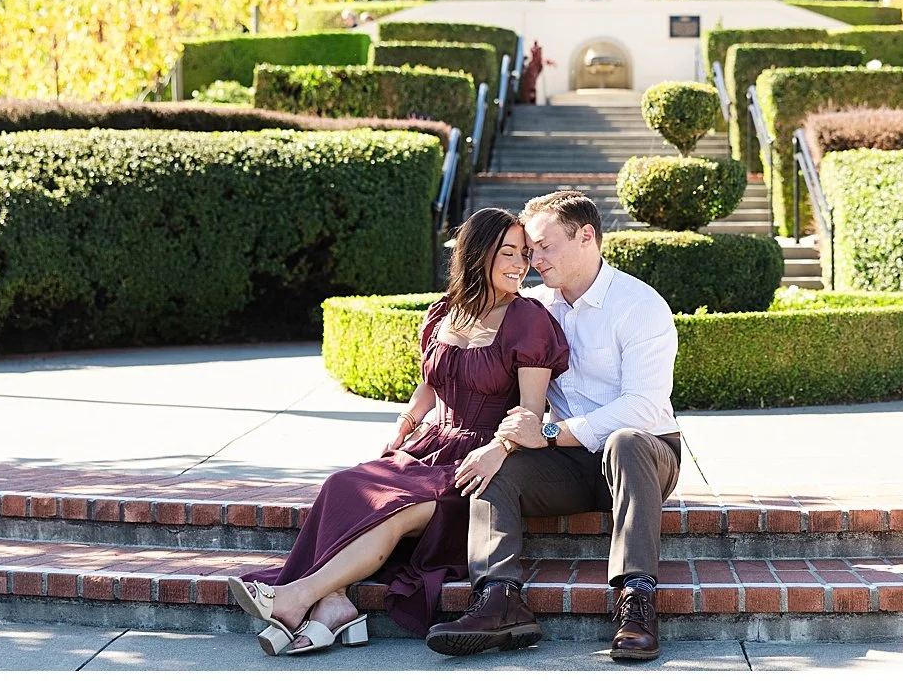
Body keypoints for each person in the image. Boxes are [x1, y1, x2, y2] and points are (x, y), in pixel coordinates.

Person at [226, 208, 569, 655]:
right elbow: (429, 385)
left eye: (524, 254)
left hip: (480, 462)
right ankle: (333, 606)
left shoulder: (529, 320)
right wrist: (404, 427)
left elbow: (528, 413)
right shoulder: (444, 312)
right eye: (508, 252)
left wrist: (497, 452)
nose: (520, 264)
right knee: (344, 484)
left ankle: (294, 599)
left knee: (394, 509)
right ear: (477, 254)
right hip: (428, 447)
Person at [426, 191, 680, 662]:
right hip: (569, 462)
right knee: (493, 467)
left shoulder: (639, 305)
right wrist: (500, 445)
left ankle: (637, 603)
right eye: (527, 251)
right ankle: (499, 600)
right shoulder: (535, 307)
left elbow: (644, 407)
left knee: (625, 441)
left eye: (543, 247)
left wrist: (545, 434)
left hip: (645, 456)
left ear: (587, 237)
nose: (532, 260)